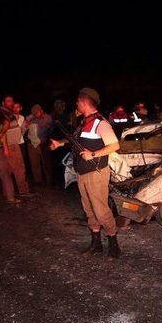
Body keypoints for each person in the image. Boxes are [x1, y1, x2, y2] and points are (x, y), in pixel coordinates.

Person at [50, 88, 122, 258]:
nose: (76, 104)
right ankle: (96, 243)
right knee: (89, 209)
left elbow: (115, 145)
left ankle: (114, 244)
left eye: (77, 102)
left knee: (101, 210)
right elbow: (76, 140)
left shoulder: (100, 123)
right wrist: (59, 144)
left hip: (96, 172)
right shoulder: (84, 121)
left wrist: (93, 154)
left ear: (83, 102)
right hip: (82, 172)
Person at [2, 98, 32, 197]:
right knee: (19, 167)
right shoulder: (5, 114)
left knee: (11, 168)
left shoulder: (11, 115)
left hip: (16, 143)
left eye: (12, 101)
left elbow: (20, 131)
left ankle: (8, 191)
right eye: (8, 101)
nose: (11, 103)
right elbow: (2, 132)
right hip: (11, 145)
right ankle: (23, 191)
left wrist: (24, 128)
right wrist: (5, 146)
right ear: (3, 103)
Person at [26, 104, 53, 185]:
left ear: (41, 111)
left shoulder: (47, 117)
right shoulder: (31, 118)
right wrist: (32, 116)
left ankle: (49, 181)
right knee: (35, 164)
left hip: (43, 143)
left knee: (46, 164)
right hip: (32, 144)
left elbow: (50, 128)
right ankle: (38, 181)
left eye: (37, 112)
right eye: (34, 113)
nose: (36, 114)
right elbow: (26, 120)